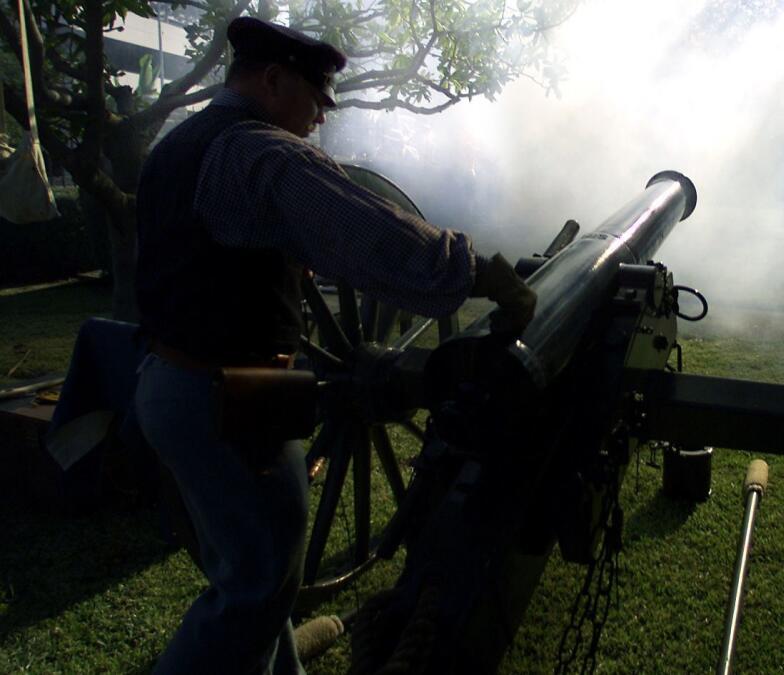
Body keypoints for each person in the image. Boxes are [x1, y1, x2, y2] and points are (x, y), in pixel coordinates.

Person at [133, 16, 535, 674]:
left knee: (260, 575)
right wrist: (480, 272)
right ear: (272, 80)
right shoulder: (258, 152)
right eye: (315, 100)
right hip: (228, 402)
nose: (321, 117)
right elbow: (370, 231)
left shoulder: (180, 145)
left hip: (171, 383)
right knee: (255, 588)